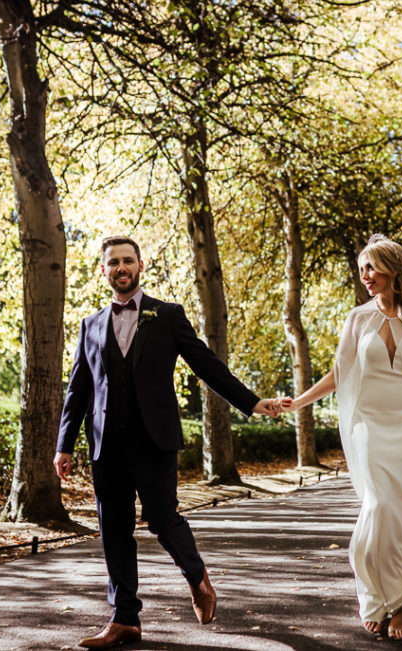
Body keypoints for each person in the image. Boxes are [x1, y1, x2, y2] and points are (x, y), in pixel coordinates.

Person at [53, 236, 283, 650]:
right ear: (102, 271)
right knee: (114, 530)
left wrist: (252, 403)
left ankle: (197, 578)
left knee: (162, 518)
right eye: (113, 263)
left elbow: (207, 365)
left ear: (140, 265)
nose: (121, 268)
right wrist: (63, 445)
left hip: (154, 440)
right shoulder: (89, 326)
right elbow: (78, 389)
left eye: (128, 261)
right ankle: (125, 619)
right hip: (106, 445)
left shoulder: (168, 316)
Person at [282, 234, 402, 640]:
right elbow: (341, 373)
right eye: (361, 269)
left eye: (371, 267)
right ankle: (380, 597)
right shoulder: (357, 319)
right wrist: (299, 402)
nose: (365, 276)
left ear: (393, 268)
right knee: (380, 508)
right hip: (372, 429)